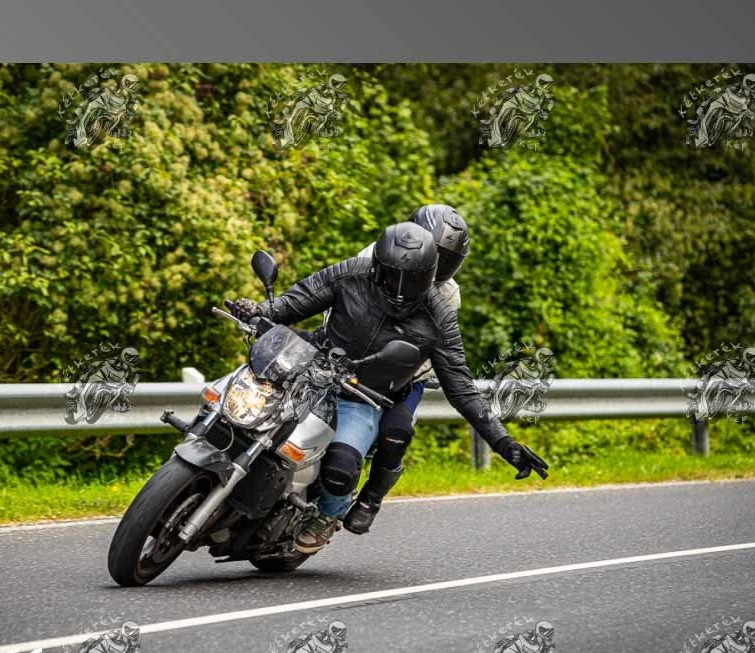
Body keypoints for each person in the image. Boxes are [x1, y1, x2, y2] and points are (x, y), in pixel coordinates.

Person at [230, 221, 548, 555]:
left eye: (411, 279)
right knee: (240, 407)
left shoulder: (440, 315)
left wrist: (504, 443)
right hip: (309, 366)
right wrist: (259, 310)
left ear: (431, 275)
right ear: (377, 263)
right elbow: (297, 301)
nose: (399, 288)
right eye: (391, 275)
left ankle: (329, 514)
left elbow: (461, 387)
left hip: (362, 395)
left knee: (341, 467)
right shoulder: (350, 272)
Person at [341, 203, 470, 535]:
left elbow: (434, 347)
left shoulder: (448, 294)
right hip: (350, 353)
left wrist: (400, 371)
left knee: (396, 431)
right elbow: (342, 299)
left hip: (406, 373)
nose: (438, 264)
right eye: (435, 254)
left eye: (447, 259)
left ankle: (371, 498)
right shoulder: (375, 257)